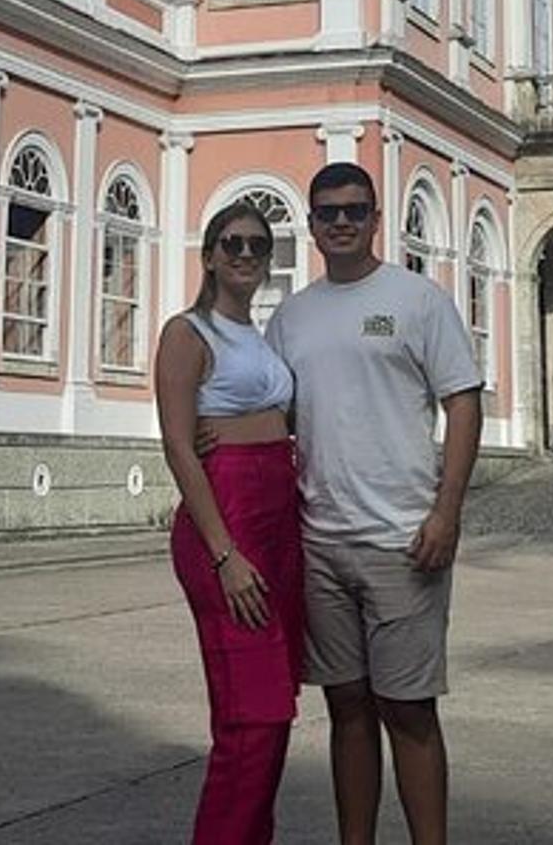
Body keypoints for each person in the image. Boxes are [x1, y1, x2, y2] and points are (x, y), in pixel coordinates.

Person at [266, 163, 483, 845]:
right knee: (346, 706)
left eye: (355, 210)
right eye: (328, 212)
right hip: (322, 540)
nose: (341, 222)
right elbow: (272, 410)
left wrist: (447, 510)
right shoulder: (293, 315)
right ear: (310, 224)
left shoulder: (418, 300)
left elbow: (463, 401)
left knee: (408, 707)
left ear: (376, 217)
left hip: (403, 538)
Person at [155, 201, 303, 844]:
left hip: (280, 513)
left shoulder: (259, 336)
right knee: (253, 717)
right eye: (232, 244)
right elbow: (179, 444)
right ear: (209, 255)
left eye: (258, 247)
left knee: (275, 708)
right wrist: (224, 553)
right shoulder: (188, 332)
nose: (246, 255)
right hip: (230, 519)